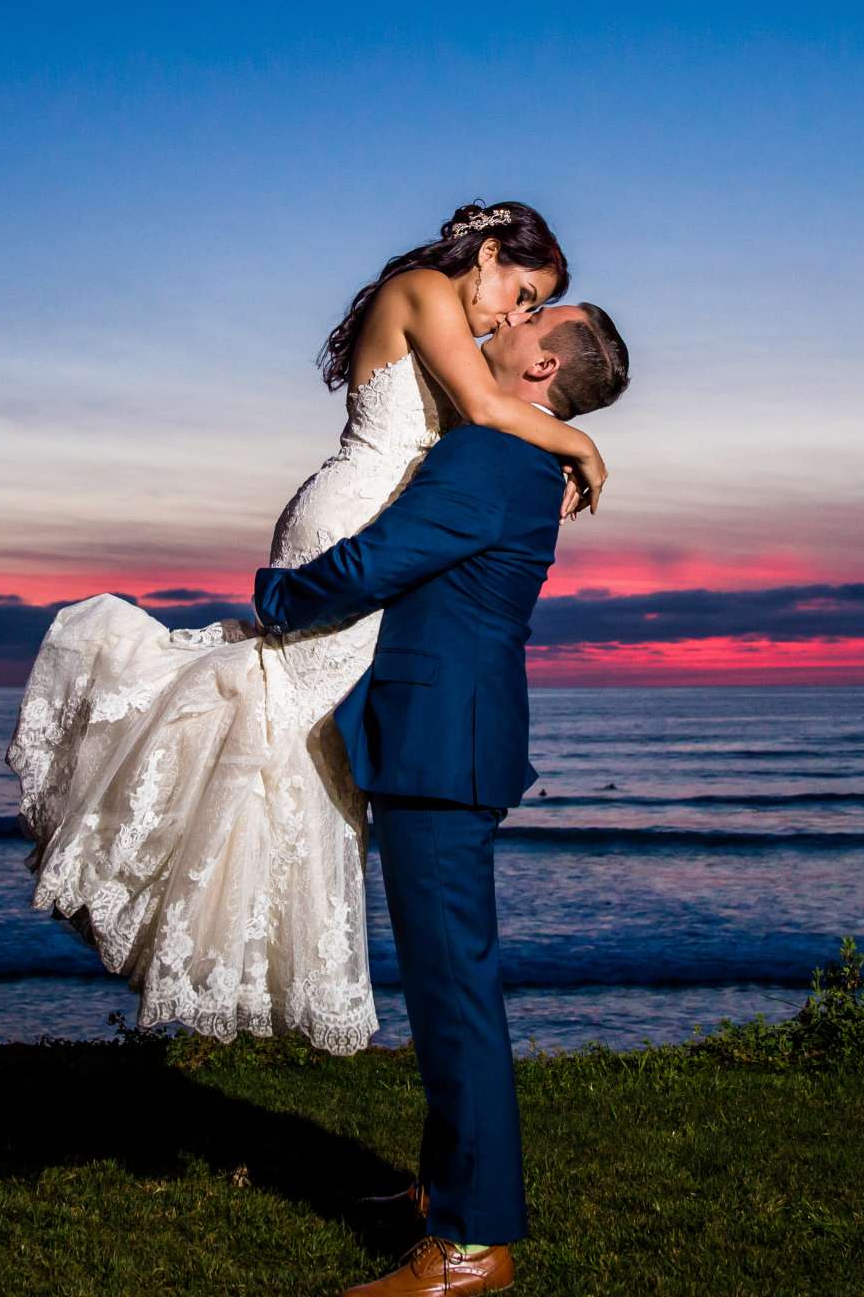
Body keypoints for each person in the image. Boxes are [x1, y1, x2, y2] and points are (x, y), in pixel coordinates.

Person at [7, 202, 607, 1054]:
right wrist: (584, 450)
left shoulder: (451, 316)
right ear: (485, 253)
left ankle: (198, 914)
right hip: (348, 528)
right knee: (264, 720)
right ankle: (148, 873)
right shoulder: (427, 290)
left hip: (367, 530)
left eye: (531, 307)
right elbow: (481, 407)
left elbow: (491, 414)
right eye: (521, 289)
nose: (513, 314)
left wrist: (556, 436)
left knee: (285, 750)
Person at [255, 298, 631, 1297]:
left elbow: (381, 562)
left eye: (536, 318)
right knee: (446, 989)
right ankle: (440, 1192)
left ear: (543, 369)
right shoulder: (514, 451)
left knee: (455, 996)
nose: (511, 317)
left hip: (440, 749)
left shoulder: (493, 459)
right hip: (444, 741)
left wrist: (278, 599)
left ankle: (473, 1246)